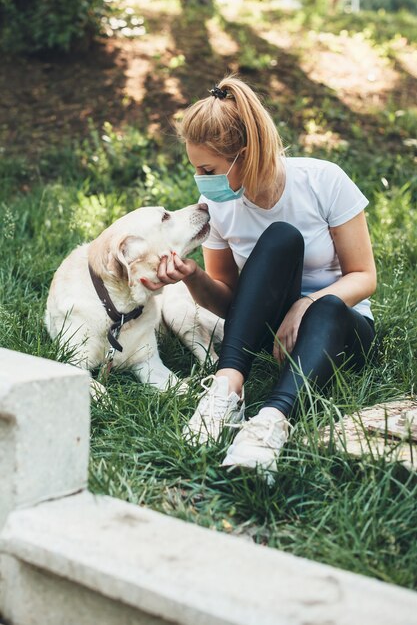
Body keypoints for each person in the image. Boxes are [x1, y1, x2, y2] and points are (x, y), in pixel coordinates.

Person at [142, 75, 377, 481]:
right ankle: (226, 390)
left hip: (339, 325)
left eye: (208, 169)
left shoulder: (323, 181)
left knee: (327, 307)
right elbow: (232, 303)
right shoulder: (216, 208)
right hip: (271, 327)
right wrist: (192, 277)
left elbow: (364, 276)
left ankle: (269, 423)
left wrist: (306, 303)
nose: (201, 180)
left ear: (244, 155)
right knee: (281, 239)